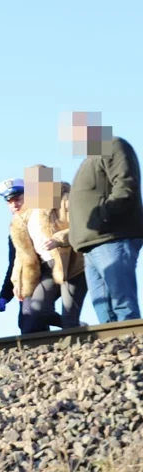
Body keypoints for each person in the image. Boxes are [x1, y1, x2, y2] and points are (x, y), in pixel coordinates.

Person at [63, 112, 143, 323]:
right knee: (104, 310)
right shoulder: (88, 160)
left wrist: (102, 218)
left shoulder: (113, 145)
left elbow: (125, 187)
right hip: (92, 244)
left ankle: (134, 349)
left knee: (122, 303)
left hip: (112, 238)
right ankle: (115, 351)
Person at [10, 165, 87, 333]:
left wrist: (59, 239)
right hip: (47, 269)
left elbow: (81, 226)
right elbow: (22, 252)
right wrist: (18, 281)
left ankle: (73, 349)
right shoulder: (26, 215)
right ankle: (81, 328)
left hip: (72, 265)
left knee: (69, 316)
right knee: (36, 309)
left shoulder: (65, 200)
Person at [0, 178, 25, 331]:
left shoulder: (38, 221)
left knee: (36, 315)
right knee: (27, 322)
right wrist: (5, 296)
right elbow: (14, 264)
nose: (14, 204)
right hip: (25, 284)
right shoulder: (14, 229)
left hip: (45, 278)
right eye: (10, 201)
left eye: (18, 199)